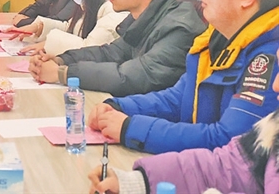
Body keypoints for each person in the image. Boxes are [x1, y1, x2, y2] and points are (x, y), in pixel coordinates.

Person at [88, 0, 279, 155]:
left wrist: (130, 128)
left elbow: (227, 141)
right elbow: (177, 99)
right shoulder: (216, 40)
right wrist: (119, 106)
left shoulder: (269, 56)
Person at [89, 50, 279, 194]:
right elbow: (230, 167)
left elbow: (224, 136)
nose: (276, 85)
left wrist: (130, 128)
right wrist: (138, 183)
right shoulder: (216, 44)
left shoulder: (263, 55)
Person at [30, 0, 206, 96]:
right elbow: (109, 53)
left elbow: (131, 77)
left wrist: (63, 73)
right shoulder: (143, 17)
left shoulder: (178, 28)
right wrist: (62, 60)